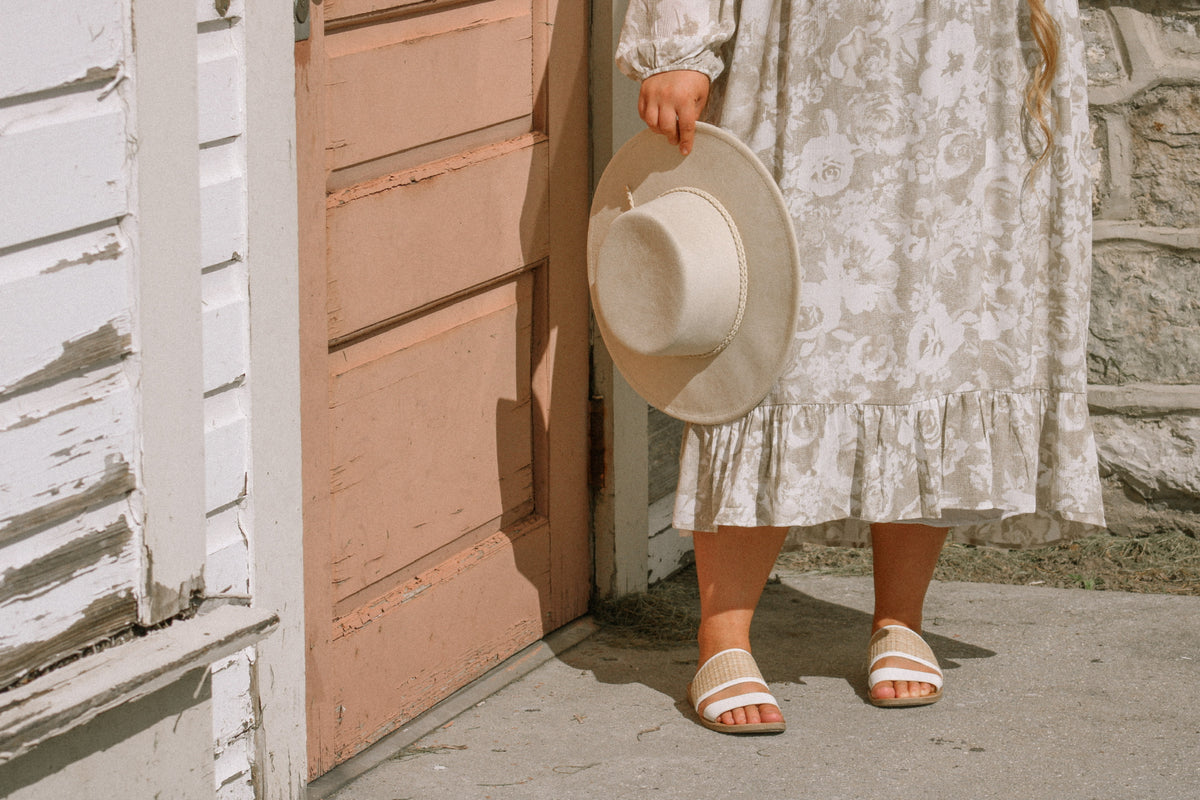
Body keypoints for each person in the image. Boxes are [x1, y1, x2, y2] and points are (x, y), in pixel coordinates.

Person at [615, 0, 1106, 732]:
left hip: (969, 45)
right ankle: (723, 634)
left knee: (932, 318)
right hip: (817, 44)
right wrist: (678, 43)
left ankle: (900, 619)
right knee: (774, 324)